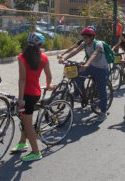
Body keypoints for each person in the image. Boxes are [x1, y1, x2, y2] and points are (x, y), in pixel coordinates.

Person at [11, 32, 55, 162]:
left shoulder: (22, 57)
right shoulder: (44, 58)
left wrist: (20, 99)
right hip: (36, 93)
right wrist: (48, 85)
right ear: (40, 45)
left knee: (28, 124)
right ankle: (23, 142)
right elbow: (49, 76)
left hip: (26, 95)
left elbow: (22, 79)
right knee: (25, 118)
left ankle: (36, 152)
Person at [59, 28, 109, 122]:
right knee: (77, 77)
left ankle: (103, 113)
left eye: (86, 37)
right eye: (83, 37)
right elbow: (75, 51)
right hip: (91, 66)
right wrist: (64, 58)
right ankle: (83, 95)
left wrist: (86, 64)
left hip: (101, 69)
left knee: (102, 91)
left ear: (92, 37)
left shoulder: (98, 44)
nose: (84, 39)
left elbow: (94, 54)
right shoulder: (84, 44)